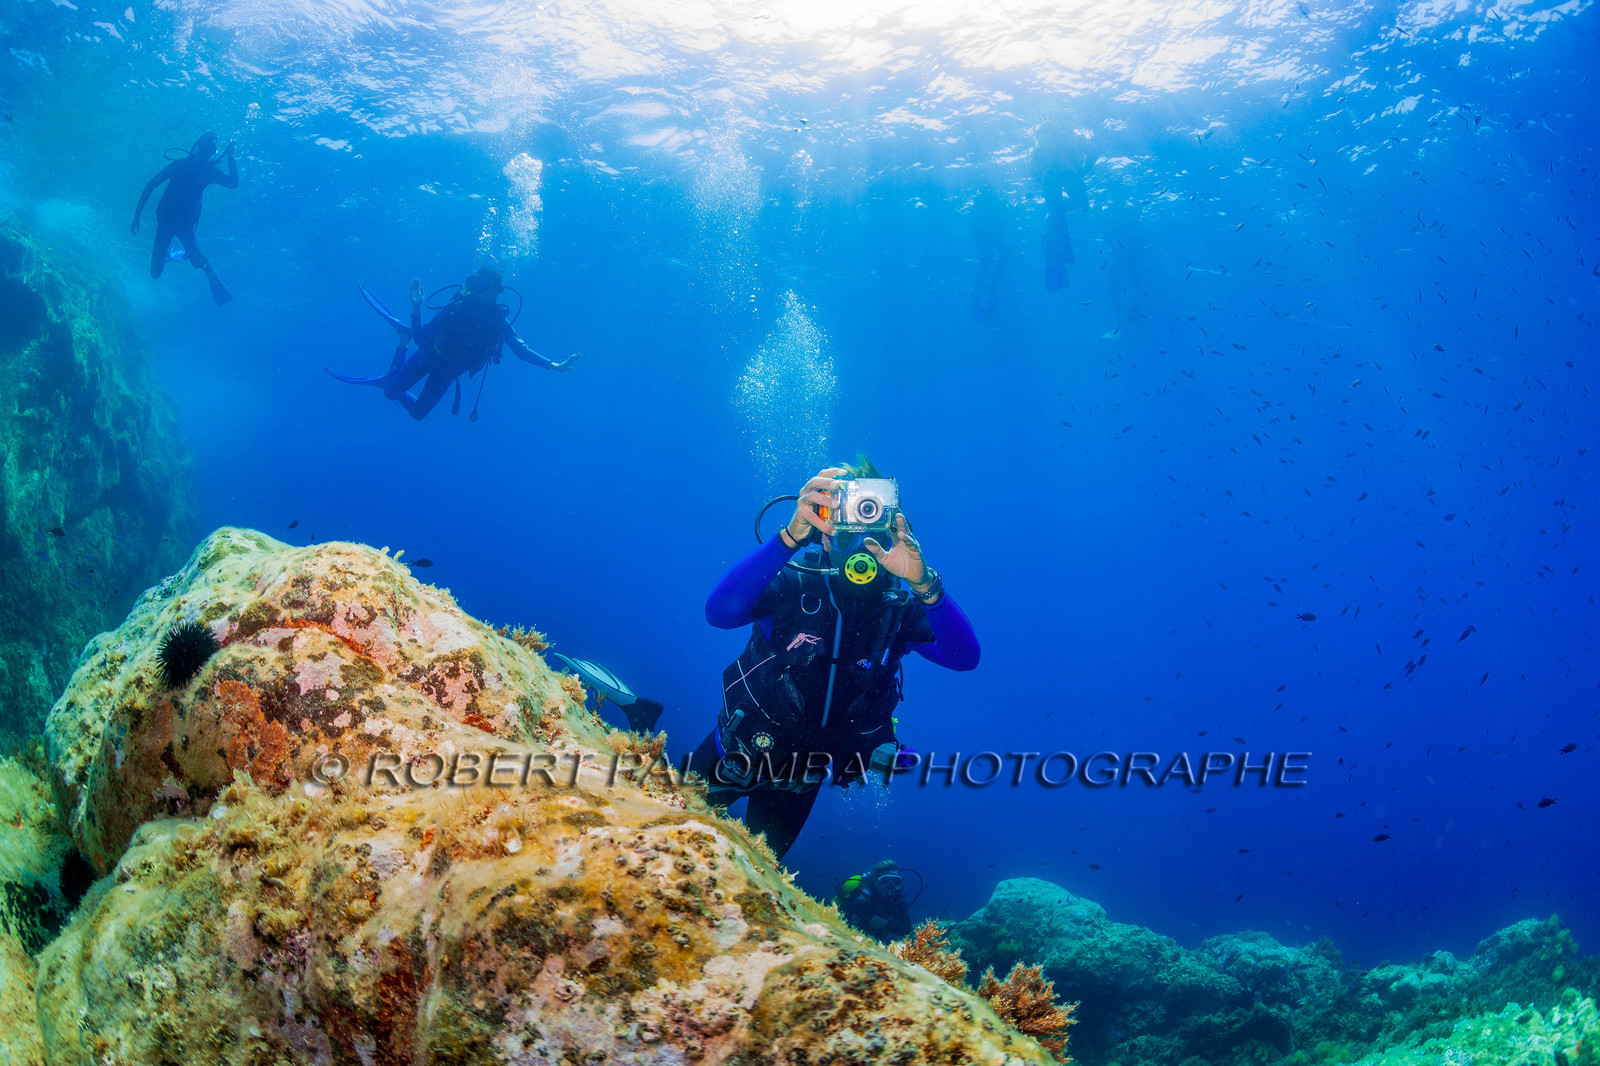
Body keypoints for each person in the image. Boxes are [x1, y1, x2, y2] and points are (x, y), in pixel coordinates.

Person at [688, 458, 980, 860]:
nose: (859, 537)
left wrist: (924, 585)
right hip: (733, 754)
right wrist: (789, 538)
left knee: (753, 888)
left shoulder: (898, 611)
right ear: (825, 531)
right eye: (846, 518)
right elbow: (719, 613)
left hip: (798, 785)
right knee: (659, 845)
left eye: (871, 517)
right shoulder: (792, 583)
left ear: (893, 528)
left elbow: (964, 658)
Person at [327, 265, 579, 421]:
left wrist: (552, 365)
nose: (473, 288)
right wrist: (416, 309)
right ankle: (399, 347)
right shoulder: (456, 307)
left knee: (417, 414)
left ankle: (389, 376)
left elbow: (520, 350)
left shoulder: (497, 321)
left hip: (447, 374)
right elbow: (422, 338)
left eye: (480, 285)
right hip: (428, 356)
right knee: (391, 393)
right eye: (473, 283)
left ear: (494, 291)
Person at [130, 131, 238, 305]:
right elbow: (151, 184)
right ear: (196, 148)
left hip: (186, 226)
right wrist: (137, 215)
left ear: (214, 153)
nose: (206, 154)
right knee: (155, 273)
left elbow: (233, 183)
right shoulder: (179, 166)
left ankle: (206, 268)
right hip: (166, 222)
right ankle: (173, 254)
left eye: (211, 151)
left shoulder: (210, 171)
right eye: (204, 149)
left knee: (197, 262)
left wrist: (231, 158)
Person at [1030, 121, 1091, 293]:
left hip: (1049, 177)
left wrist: (1043, 179)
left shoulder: (1039, 149)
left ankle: (1053, 233)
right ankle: (1064, 251)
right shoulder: (1068, 140)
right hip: (1068, 173)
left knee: (1056, 216)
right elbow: (1092, 154)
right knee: (1080, 206)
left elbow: (1032, 170)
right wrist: (1081, 173)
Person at [835, 859, 913, 941]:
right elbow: (840, 917)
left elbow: (906, 929)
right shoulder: (859, 894)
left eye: (896, 881)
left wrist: (886, 923)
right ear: (875, 881)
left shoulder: (896, 901)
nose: (891, 886)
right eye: (885, 881)